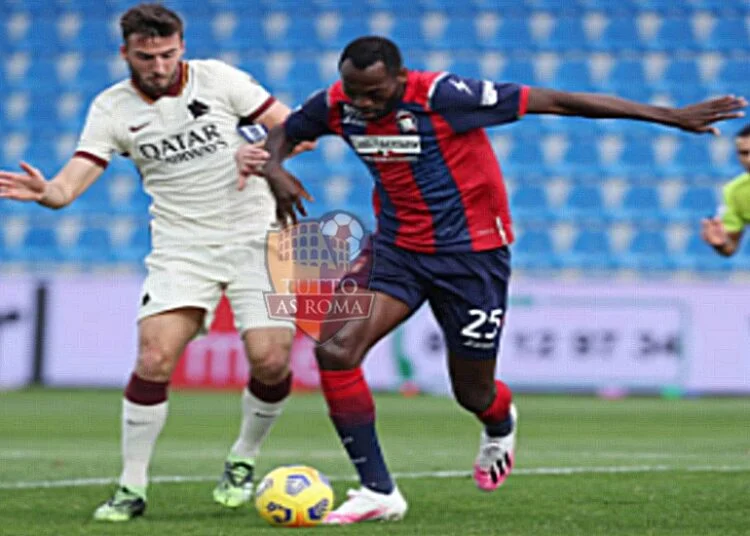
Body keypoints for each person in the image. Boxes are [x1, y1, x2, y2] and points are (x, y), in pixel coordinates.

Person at [260, 36, 746, 525]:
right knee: (335, 349)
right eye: (354, 91)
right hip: (396, 251)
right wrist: (273, 167)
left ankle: (498, 420)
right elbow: (284, 131)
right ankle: (378, 491)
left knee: (472, 392)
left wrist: (672, 116)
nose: (363, 104)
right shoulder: (337, 103)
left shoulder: (444, 96)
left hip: (472, 258)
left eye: (374, 93)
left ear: (400, 79)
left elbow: (556, 101)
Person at [0, 3, 309, 522]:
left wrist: (259, 153)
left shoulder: (219, 80)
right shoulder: (112, 109)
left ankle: (243, 457)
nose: (159, 66)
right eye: (146, 56)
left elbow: (298, 128)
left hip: (259, 235)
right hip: (180, 246)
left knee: (271, 360)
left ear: (182, 46)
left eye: (168, 54)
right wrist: (46, 193)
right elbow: (68, 188)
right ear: (126, 52)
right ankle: (131, 485)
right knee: (154, 358)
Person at [701, 124, 750, 256]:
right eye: (744, 153)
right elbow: (731, 247)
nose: (749, 159)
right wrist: (720, 244)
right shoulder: (735, 191)